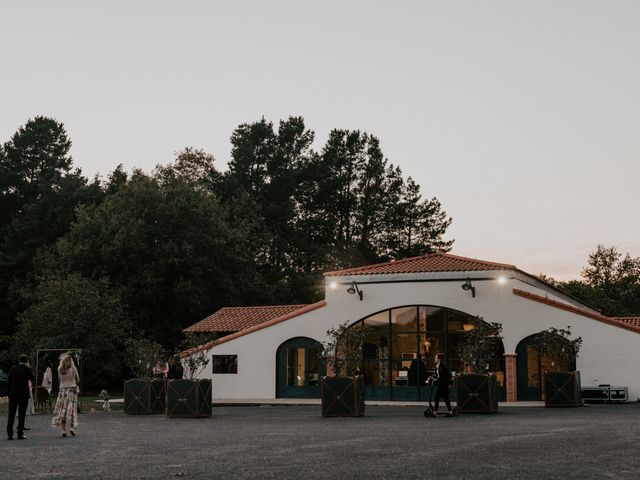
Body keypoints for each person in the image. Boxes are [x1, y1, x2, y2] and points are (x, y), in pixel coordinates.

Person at [51, 353, 80, 438]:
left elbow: (60, 380)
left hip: (63, 391)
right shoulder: (73, 368)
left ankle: (63, 430)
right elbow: (78, 379)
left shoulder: (60, 369)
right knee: (71, 410)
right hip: (71, 390)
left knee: (62, 409)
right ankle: (71, 428)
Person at [6, 354, 34, 440]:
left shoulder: (13, 369)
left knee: (11, 414)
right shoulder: (27, 369)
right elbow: (32, 378)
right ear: (27, 361)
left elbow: (9, 381)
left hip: (13, 394)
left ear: (19, 360)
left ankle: (10, 433)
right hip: (23, 395)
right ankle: (20, 433)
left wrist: (9, 392)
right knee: (21, 415)